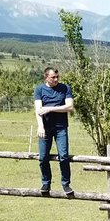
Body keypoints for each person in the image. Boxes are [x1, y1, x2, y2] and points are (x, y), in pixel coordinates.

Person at [34, 67, 74, 195]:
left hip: (61, 128)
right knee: (43, 157)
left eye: (57, 77)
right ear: (46, 77)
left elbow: (69, 107)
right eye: (53, 77)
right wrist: (40, 126)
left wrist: (50, 108)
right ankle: (46, 183)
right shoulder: (39, 89)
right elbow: (38, 110)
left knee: (63, 156)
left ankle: (66, 184)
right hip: (45, 128)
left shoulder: (65, 88)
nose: (56, 79)